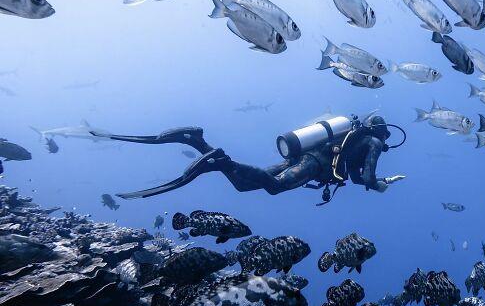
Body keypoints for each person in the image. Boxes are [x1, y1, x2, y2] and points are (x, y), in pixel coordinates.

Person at [90, 114, 405, 201]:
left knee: (243, 186)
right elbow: (365, 176)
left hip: (306, 156)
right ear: (382, 132)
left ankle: (199, 143)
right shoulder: (374, 141)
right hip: (313, 165)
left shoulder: (349, 132)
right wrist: (380, 185)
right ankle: (220, 160)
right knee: (275, 187)